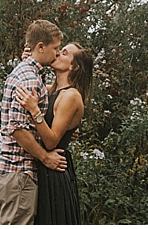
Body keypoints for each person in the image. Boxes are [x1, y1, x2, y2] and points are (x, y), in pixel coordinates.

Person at [0, 20, 68, 225]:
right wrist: (45, 157)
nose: (57, 54)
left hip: (14, 171)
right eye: (55, 48)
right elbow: (17, 128)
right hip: (17, 170)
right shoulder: (29, 79)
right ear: (40, 47)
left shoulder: (30, 73)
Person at [16, 42, 94, 225]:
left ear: (74, 66)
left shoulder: (71, 96)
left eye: (64, 53)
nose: (58, 53)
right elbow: (35, 84)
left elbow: (51, 142)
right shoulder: (53, 91)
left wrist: (35, 111)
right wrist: (29, 60)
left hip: (54, 171)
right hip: (44, 168)